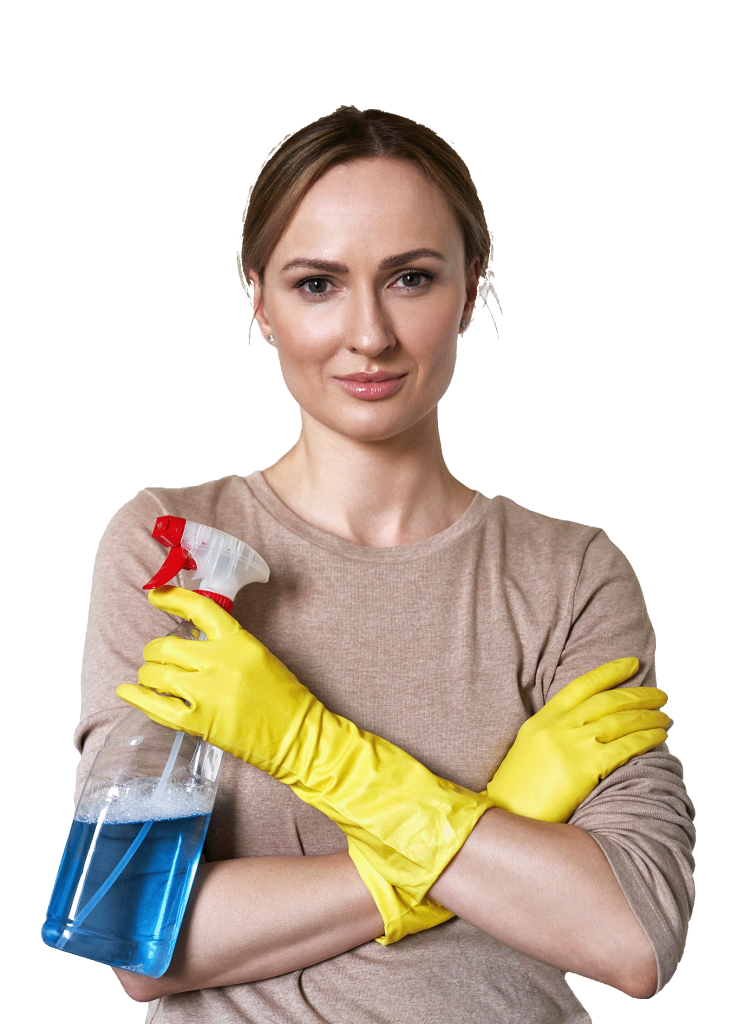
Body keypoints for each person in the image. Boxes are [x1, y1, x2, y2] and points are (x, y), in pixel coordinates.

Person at [70, 106, 694, 1022]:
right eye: (317, 283)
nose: (369, 335)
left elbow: (632, 938)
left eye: (410, 278)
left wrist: (317, 752)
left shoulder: (570, 574)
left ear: (474, 286)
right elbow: (131, 935)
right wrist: (489, 821)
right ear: (259, 300)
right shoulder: (174, 546)